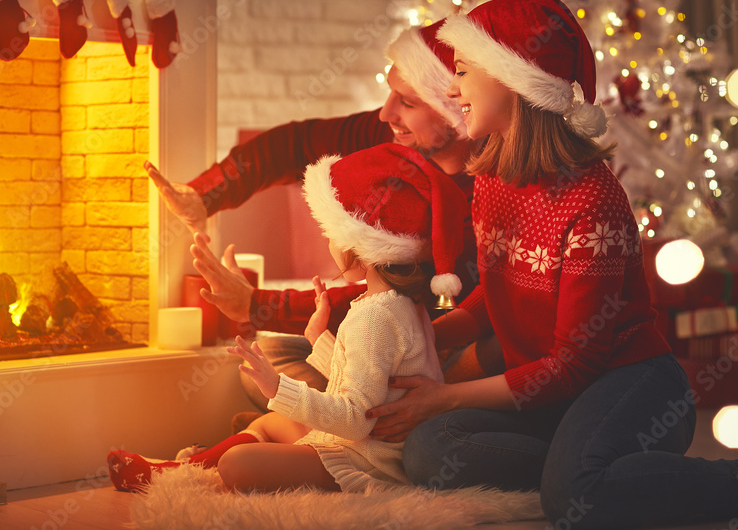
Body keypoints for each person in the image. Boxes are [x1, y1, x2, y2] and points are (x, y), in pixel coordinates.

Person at [364, 0, 738, 526]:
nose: (452, 89)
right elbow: (494, 301)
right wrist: (417, 336)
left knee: (573, 501)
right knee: (430, 449)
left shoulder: (592, 200)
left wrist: (444, 395)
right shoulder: (492, 178)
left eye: (464, 72)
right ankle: (598, 466)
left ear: (514, 79)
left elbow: (575, 363)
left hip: (631, 384)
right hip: (553, 397)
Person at [146, 20, 498, 411]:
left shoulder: (489, 191)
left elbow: (390, 300)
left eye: (408, 102)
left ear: (455, 110)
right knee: (269, 356)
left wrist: (257, 304)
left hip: (436, 342)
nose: (385, 113)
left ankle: (342, 427)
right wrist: (205, 193)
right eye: (390, 94)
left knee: (289, 377)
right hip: (382, 334)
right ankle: (322, 425)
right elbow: (295, 144)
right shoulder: (396, 133)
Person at [108, 143, 468, 492]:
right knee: (274, 421)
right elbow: (374, 387)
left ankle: (183, 469)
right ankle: (177, 471)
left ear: (357, 245)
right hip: (372, 446)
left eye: (330, 234)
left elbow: (358, 418)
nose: (327, 242)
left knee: (238, 464)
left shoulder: (374, 316)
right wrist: (318, 338)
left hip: (369, 460)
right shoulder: (404, 304)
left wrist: (277, 387)